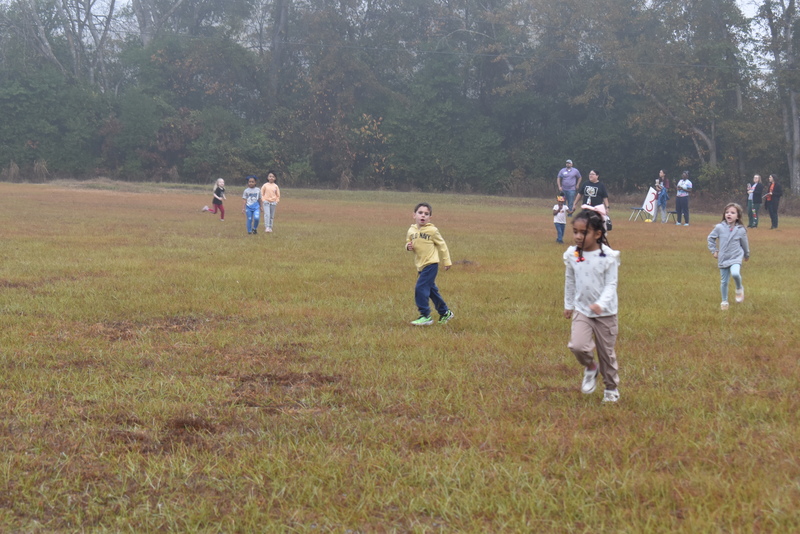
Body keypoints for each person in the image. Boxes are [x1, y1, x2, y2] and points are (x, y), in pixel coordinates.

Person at [563, 207, 621, 403]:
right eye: (575, 232)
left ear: (598, 234)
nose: (578, 237)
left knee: (606, 354)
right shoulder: (572, 254)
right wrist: (568, 304)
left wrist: (601, 304)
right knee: (578, 346)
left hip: (606, 314)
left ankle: (611, 388)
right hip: (582, 310)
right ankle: (590, 367)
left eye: (584, 232)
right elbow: (570, 280)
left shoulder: (608, 257)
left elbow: (611, 284)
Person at [406, 202, 454, 326]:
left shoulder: (432, 230)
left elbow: (442, 245)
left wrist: (447, 260)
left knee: (420, 287)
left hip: (431, 264)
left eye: (426, 214)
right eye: (420, 213)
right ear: (414, 215)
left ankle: (425, 315)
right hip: (420, 265)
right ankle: (445, 312)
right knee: (432, 291)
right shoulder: (411, 230)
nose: (423, 216)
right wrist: (408, 246)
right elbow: (408, 241)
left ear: (430, 217)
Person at [707, 203, 750, 311]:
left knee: (735, 273)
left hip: (736, 257)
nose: (729, 214)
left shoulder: (741, 230)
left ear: (738, 216)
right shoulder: (719, 227)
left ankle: (739, 288)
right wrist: (714, 251)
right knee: (724, 282)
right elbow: (710, 238)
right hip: (723, 258)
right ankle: (724, 302)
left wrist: (746, 254)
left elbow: (745, 244)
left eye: (732, 212)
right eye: (727, 212)